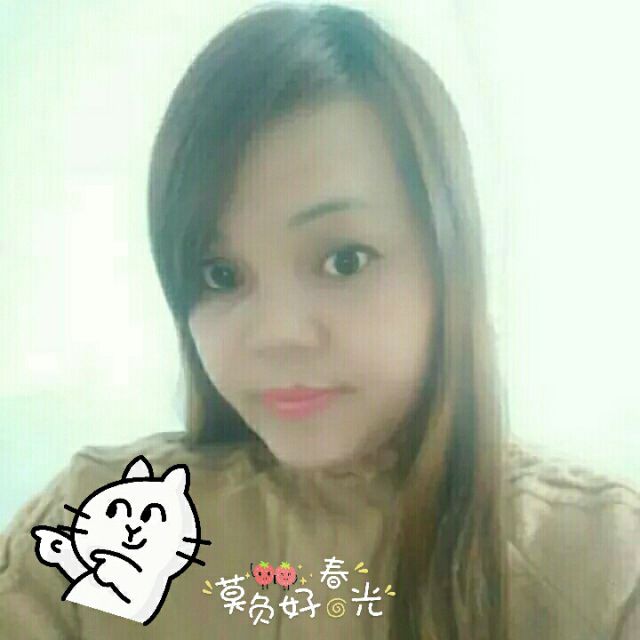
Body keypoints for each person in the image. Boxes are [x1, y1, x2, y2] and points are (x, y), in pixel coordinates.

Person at [1, 3, 638, 639]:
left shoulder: (600, 564)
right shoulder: (93, 527)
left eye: (344, 260)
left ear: (449, 263)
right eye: (220, 274)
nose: (277, 334)